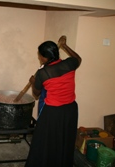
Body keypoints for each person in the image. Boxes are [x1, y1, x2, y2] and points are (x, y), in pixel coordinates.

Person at [25, 35, 82, 167]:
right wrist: (66, 46)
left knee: (43, 142)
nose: (39, 58)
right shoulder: (69, 63)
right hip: (70, 110)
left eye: (40, 55)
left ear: (46, 57)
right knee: (64, 140)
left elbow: (36, 95)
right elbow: (78, 58)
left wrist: (33, 83)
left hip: (53, 112)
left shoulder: (43, 73)